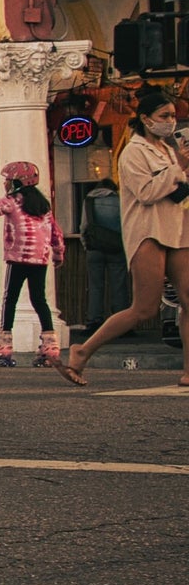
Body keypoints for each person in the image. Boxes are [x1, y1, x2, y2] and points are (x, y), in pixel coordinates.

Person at [66, 83, 189, 390]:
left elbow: (176, 193)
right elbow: (147, 193)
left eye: (173, 115)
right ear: (146, 119)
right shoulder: (133, 152)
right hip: (148, 230)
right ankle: (83, 350)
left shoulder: (168, 150)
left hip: (176, 227)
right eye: (164, 115)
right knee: (144, 308)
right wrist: (179, 170)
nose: (170, 120)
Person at [0, 162, 61, 367]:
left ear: (17, 182)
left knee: (10, 300)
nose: (5, 183)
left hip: (17, 259)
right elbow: (55, 233)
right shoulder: (43, 206)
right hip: (40, 260)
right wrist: (58, 255)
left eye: (8, 180)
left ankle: (4, 346)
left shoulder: (13, 201)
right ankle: (51, 346)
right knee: (39, 300)